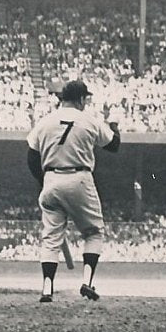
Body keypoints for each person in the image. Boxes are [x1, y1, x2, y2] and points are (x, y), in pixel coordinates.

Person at [26, 80, 120, 303]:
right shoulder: (88, 119)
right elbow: (114, 145)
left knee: (50, 239)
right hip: (79, 178)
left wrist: (43, 180)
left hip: (51, 178)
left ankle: (47, 288)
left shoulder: (45, 121)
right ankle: (87, 282)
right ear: (80, 99)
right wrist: (115, 123)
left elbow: (31, 156)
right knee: (94, 232)